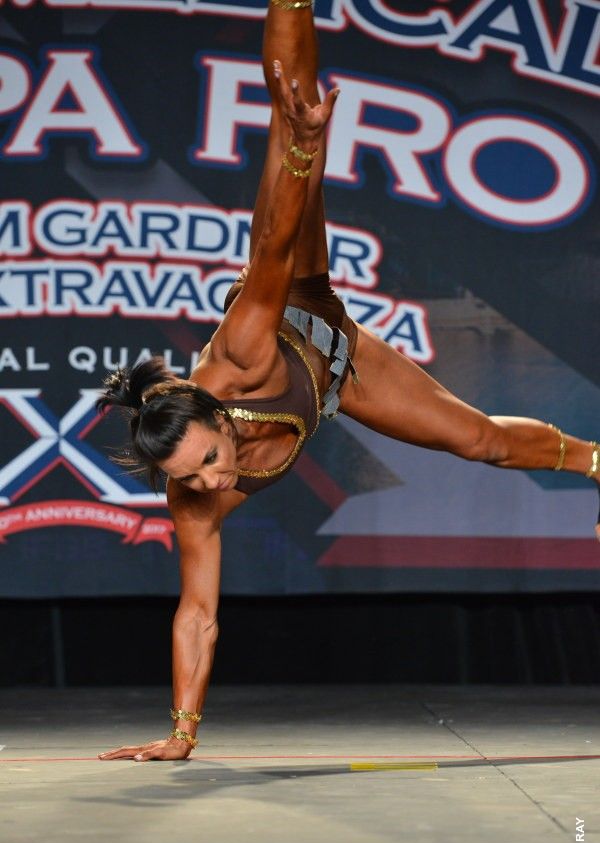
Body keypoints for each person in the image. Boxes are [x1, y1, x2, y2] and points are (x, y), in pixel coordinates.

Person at [97, 0, 600, 762]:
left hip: (305, 312)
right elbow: (197, 615)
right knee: (479, 444)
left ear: (219, 416)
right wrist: (181, 733)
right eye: (191, 479)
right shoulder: (191, 498)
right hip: (330, 385)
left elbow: (272, 245)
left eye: (208, 461)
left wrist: (304, 153)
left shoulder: (241, 353)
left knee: (484, 442)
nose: (210, 483)